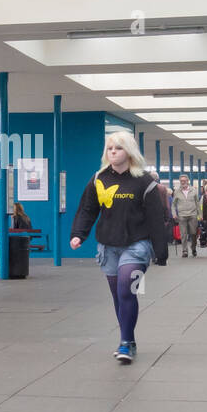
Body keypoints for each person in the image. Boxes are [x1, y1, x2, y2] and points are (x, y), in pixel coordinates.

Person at [70, 131, 168, 364]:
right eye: (110, 148)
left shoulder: (145, 181)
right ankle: (129, 339)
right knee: (118, 295)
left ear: (129, 151)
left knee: (126, 289)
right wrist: (78, 234)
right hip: (108, 246)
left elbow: (156, 218)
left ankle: (125, 344)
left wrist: (160, 252)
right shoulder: (98, 178)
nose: (113, 152)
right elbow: (87, 209)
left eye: (118, 148)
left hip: (138, 246)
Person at [171, 174, 199, 257]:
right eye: (181, 181)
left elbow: (197, 203)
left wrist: (200, 215)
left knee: (194, 233)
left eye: (184, 180)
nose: (183, 182)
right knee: (183, 234)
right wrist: (174, 214)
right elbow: (173, 204)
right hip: (182, 216)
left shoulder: (194, 190)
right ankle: (184, 251)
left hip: (193, 215)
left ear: (188, 181)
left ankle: (193, 248)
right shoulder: (176, 191)